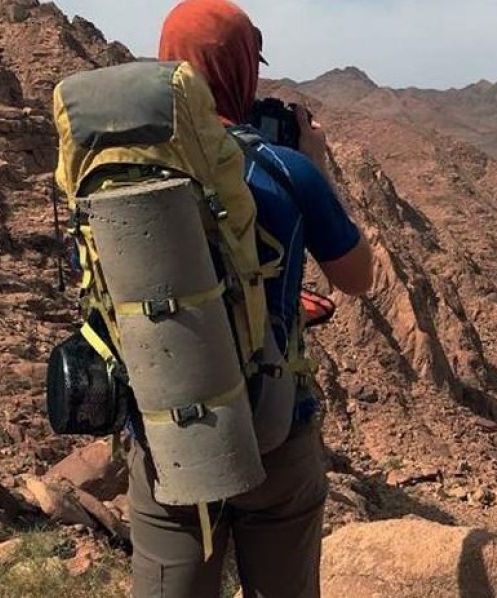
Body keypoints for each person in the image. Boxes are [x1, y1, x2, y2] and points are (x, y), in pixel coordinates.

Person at [127, 1, 374, 596]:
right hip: (273, 432)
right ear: (239, 68)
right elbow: (358, 277)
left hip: (165, 432)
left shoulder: (125, 168)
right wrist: (314, 165)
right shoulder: (282, 168)